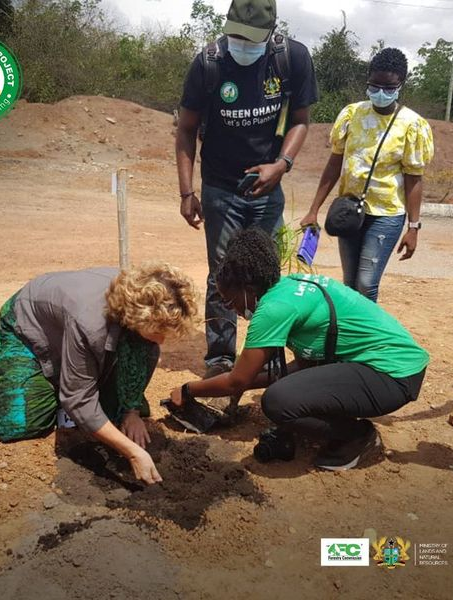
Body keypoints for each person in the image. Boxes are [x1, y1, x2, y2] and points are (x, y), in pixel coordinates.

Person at [170, 228, 429, 471]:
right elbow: (298, 367)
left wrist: (187, 389)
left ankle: (356, 437)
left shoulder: (273, 309)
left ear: (248, 290)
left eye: (231, 302)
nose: (234, 311)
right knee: (290, 388)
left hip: (391, 374)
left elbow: (237, 380)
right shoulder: (290, 286)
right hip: (393, 365)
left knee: (277, 402)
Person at [176, 0, 318, 377]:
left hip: (267, 188)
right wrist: (186, 191)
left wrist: (281, 165)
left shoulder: (292, 59)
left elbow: (301, 121)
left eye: (252, 39)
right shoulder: (208, 63)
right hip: (220, 188)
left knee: (267, 274)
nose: (242, 43)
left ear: (271, 31)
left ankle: (267, 355)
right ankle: (220, 358)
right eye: (236, 35)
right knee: (221, 272)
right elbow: (186, 128)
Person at [0, 264, 198, 485]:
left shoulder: (140, 320)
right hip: (28, 327)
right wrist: (133, 453)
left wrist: (132, 411)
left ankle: (72, 380)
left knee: (114, 411)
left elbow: (145, 355)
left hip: (79, 327)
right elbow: (79, 401)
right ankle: (56, 383)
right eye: (158, 332)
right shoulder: (89, 323)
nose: (163, 340)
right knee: (20, 424)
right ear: (138, 318)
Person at [301, 47, 434, 302]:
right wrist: (313, 209)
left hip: (386, 215)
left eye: (389, 87)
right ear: (368, 81)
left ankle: (366, 338)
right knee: (350, 282)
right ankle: (349, 336)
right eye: (374, 85)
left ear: (400, 85)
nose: (380, 93)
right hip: (350, 210)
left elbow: (414, 178)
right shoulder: (352, 115)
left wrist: (413, 227)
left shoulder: (412, 125)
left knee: (366, 283)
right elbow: (334, 164)